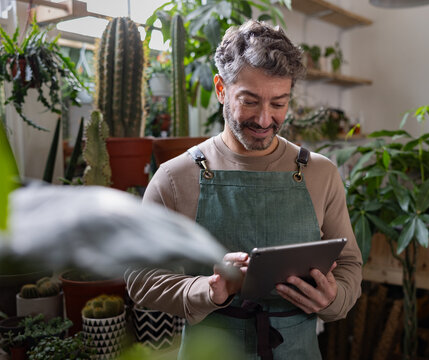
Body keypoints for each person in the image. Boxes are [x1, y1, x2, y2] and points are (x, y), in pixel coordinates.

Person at [125, 20, 363, 359]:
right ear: (221, 89)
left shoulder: (320, 172)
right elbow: (140, 278)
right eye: (249, 101)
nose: (265, 120)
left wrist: (333, 299)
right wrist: (206, 290)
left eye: (279, 103)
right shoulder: (175, 177)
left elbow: (350, 263)